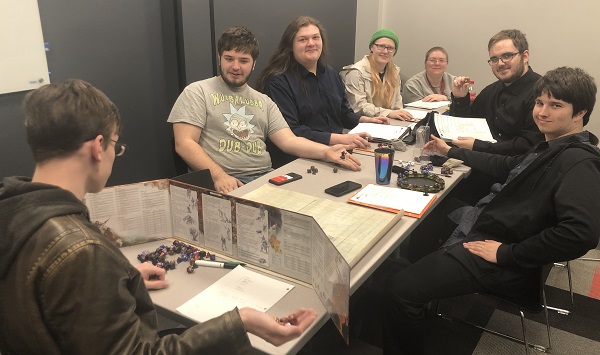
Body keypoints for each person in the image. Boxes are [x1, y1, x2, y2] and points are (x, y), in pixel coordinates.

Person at [0, 79, 317, 354]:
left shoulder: (14, 210)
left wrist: (118, 284)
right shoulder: (82, 252)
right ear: (98, 148)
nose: (115, 154)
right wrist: (241, 320)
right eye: (115, 145)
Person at [383, 66, 600, 354]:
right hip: (492, 223)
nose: (542, 112)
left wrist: (506, 254)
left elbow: (581, 234)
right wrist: (451, 152)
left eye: (555, 105)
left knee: (400, 288)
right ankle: (420, 281)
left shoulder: (577, 162)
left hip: (497, 251)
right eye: (539, 103)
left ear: (580, 113)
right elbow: (506, 166)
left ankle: (410, 296)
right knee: (434, 210)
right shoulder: (551, 146)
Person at [168, 26, 362, 194]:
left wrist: (327, 152)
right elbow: (184, 143)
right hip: (227, 180)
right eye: (229, 58)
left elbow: (289, 141)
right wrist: (219, 176)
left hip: (266, 177)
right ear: (219, 58)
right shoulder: (197, 92)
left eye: (243, 60)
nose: (235, 67)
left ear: (253, 64)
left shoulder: (264, 101)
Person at [255, 16, 389, 166]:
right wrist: (339, 138)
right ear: (290, 46)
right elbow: (292, 131)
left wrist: (365, 120)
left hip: (337, 150)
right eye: (303, 40)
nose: (311, 43)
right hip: (300, 159)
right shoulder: (278, 82)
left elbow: (343, 113)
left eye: (315, 38)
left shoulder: (330, 74)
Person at [449, 29, 544, 155]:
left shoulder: (542, 94)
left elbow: (528, 146)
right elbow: (467, 125)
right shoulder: (490, 91)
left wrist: (477, 146)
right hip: (479, 162)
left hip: (514, 170)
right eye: (494, 59)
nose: (500, 63)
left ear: (525, 56)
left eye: (507, 56)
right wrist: (460, 99)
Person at [340, 29, 414, 120]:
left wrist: (401, 116)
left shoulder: (394, 72)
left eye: (390, 48)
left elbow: (397, 104)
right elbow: (358, 107)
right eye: (381, 46)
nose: (385, 51)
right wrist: (389, 113)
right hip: (364, 125)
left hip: (388, 123)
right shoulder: (356, 72)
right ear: (372, 47)